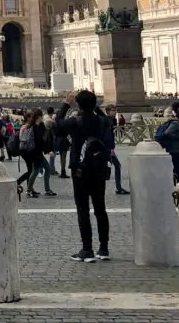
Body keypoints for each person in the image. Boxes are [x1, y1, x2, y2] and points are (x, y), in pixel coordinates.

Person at [54, 90, 112, 262]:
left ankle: (87, 249)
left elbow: (57, 125)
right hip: (100, 167)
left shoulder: (75, 122)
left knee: (83, 209)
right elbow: (108, 120)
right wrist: (96, 108)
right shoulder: (103, 121)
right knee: (100, 208)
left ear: (78, 105)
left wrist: (65, 104)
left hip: (80, 170)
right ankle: (104, 248)